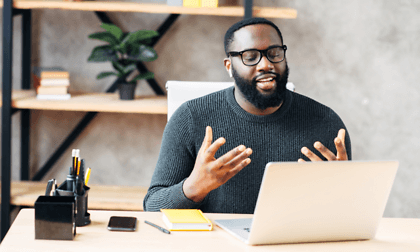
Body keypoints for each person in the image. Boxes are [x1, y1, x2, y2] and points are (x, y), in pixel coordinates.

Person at [143, 18, 351, 214]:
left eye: (275, 53)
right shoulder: (190, 118)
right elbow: (153, 206)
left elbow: (347, 215)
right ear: (229, 67)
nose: (265, 64)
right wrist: (192, 188)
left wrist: (343, 190)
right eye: (250, 57)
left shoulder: (326, 122)